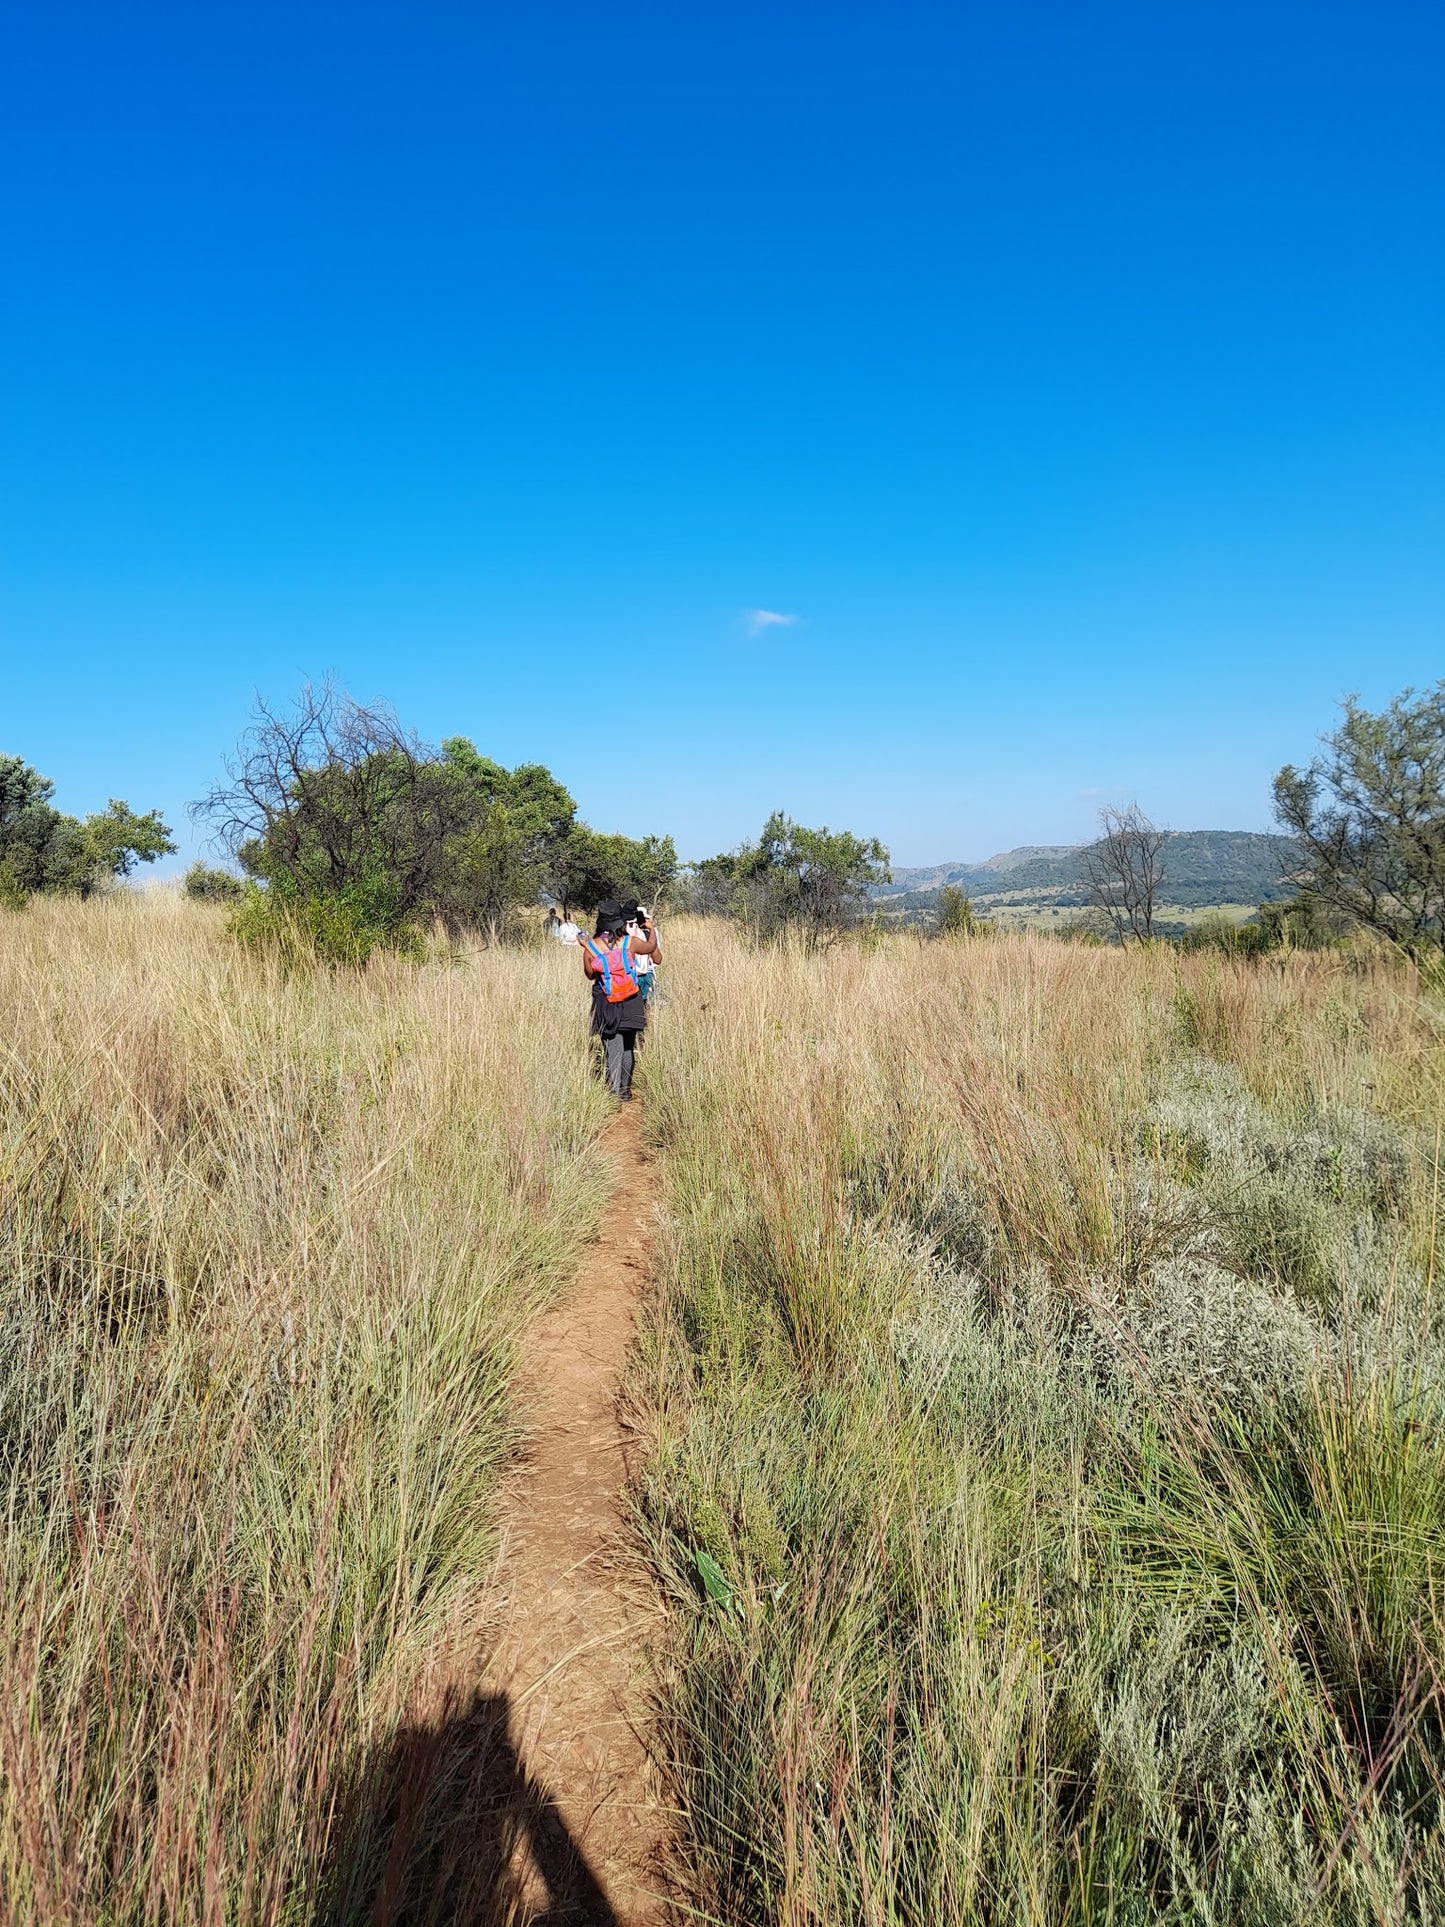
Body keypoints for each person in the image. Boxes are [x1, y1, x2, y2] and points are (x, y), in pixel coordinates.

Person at [580, 903, 658, 1099]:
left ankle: (612, 1093)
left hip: (606, 1001)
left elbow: (589, 975)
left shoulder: (591, 948)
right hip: (631, 999)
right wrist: (650, 929)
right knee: (627, 1047)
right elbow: (651, 948)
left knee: (611, 1048)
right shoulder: (629, 942)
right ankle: (625, 1091)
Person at [627, 903, 661, 1004]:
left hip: (642, 973)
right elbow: (658, 959)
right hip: (641, 973)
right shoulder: (645, 933)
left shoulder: (649, 933)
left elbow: (657, 959)